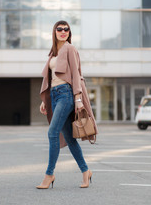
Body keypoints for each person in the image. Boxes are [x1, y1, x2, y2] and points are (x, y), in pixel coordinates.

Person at [37, 20, 98, 189]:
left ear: (69, 33)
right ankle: (86, 171)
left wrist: (78, 99)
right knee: (70, 140)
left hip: (66, 95)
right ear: (54, 31)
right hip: (55, 96)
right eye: (60, 29)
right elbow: (50, 79)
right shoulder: (53, 53)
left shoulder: (70, 49)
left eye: (66, 29)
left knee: (52, 133)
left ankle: (49, 174)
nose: (63, 31)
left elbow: (77, 74)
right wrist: (45, 100)